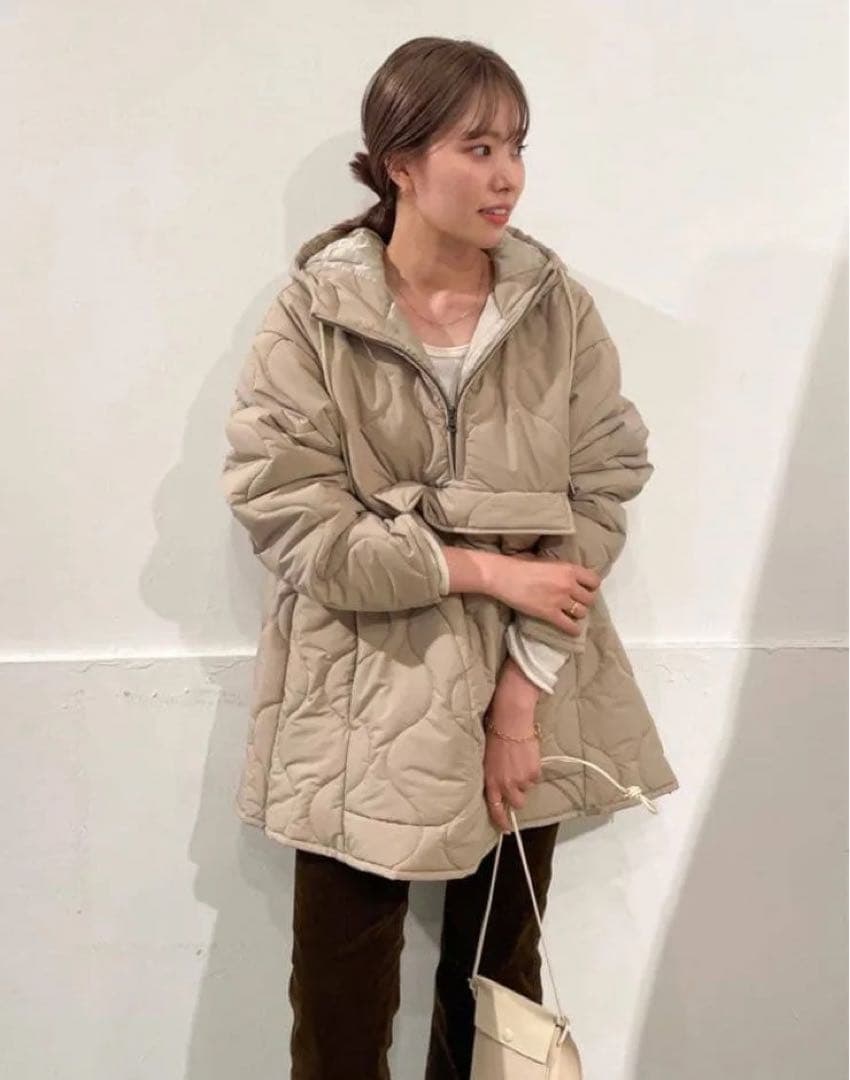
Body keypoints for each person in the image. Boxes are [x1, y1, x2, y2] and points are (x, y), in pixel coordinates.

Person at [221, 35, 679, 1080]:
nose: (506, 175)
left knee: (498, 1000)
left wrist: (518, 702)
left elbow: (605, 482)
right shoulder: (314, 314)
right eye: (477, 147)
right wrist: (485, 567)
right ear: (400, 163)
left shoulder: (554, 310)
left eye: (516, 146)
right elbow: (289, 514)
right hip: (354, 705)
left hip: (527, 683)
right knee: (338, 1014)